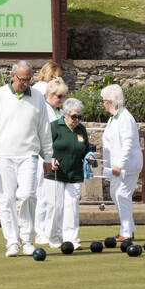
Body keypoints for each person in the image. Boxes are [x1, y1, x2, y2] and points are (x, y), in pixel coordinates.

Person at [0, 60, 54, 257]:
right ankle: (12, 241)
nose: (25, 83)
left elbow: (44, 129)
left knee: (28, 195)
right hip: (4, 155)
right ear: (13, 76)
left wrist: (48, 157)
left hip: (29, 155)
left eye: (29, 79)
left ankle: (27, 239)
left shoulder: (38, 97)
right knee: (6, 200)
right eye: (22, 79)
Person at [36, 97, 91, 249]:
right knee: (54, 206)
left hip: (75, 174)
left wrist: (89, 157)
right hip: (55, 173)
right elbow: (41, 147)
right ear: (65, 115)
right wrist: (50, 158)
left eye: (80, 117)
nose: (77, 120)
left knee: (71, 207)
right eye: (74, 116)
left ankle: (71, 239)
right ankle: (53, 236)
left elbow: (86, 149)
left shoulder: (81, 130)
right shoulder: (54, 127)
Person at [101, 83, 142, 242]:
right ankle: (129, 228)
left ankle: (126, 232)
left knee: (122, 195)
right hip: (115, 166)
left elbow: (128, 144)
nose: (103, 103)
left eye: (104, 100)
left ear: (111, 101)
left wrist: (120, 164)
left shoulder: (125, 118)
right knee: (114, 194)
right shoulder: (114, 118)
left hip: (128, 166)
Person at [33, 78, 69, 240]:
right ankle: (40, 231)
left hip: (59, 159)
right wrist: (48, 157)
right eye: (60, 96)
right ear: (50, 94)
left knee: (57, 198)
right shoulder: (42, 110)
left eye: (64, 96)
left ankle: (54, 230)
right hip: (44, 158)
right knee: (42, 196)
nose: (62, 100)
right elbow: (40, 137)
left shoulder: (60, 112)